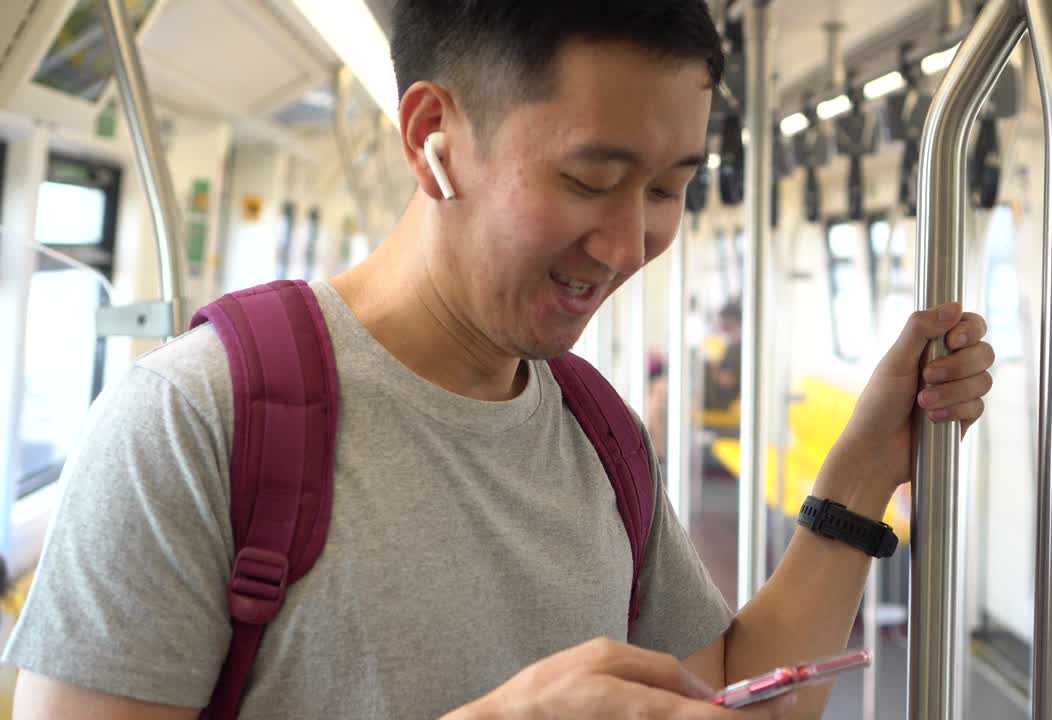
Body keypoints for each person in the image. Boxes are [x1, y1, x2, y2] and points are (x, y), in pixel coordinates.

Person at [3, 2, 996, 719]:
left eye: (665, 189)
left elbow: (729, 696)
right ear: (433, 137)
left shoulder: (598, 435)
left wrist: (866, 463)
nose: (627, 243)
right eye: (588, 179)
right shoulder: (193, 423)